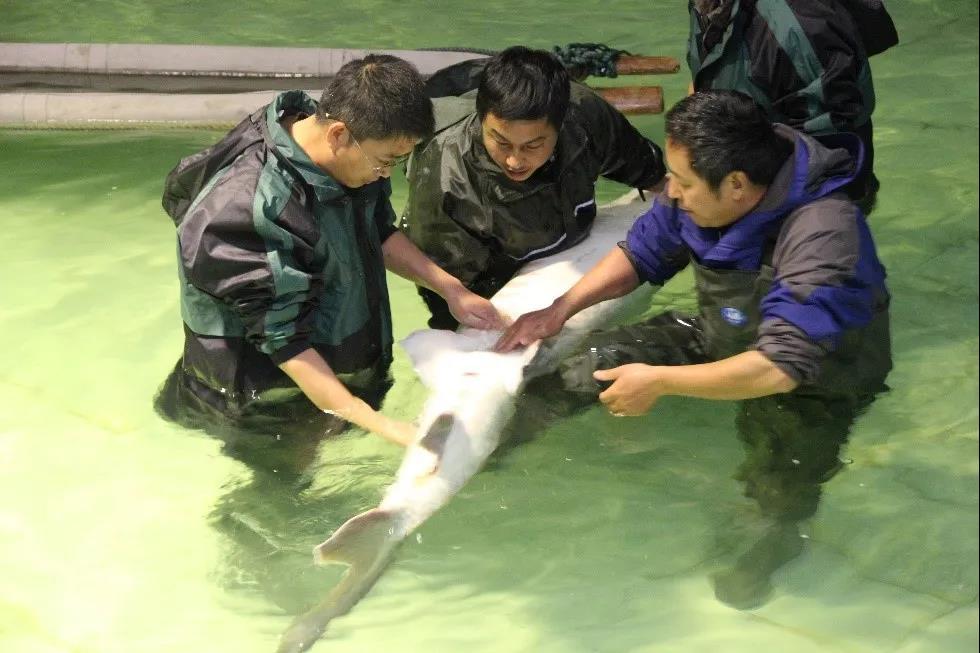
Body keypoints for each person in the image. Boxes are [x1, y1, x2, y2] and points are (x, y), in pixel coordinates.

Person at [496, 90, 892, 608]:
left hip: (814, 380)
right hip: (718, 334)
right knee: (580, 370)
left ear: (737, 186)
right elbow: (644, 250)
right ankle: (490, 454)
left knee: (772, 499)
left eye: (682, 183)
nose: (672, 192)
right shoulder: (704, 182)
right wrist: (560, 309)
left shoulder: (823, 232)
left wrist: (658, 382)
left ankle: (770, 549)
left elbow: (781, 367)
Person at [155, 55, 504, 455]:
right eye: (386, 160)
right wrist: (382, 425)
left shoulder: (343, 153)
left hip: (327, 379)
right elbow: (284, 342)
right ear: (338, 134)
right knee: (276, 504)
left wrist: (450, 289)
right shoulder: (247, 209)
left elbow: (377, 229)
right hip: (265, 398)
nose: (387, 174)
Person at [402, 46, 667, 329]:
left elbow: (645, 169)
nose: (515, 160)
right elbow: (444, 285)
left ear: (561, 124)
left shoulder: (584, 112)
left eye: (533, 145)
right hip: (484, 257)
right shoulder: (445, 176)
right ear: (481, 121)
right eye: (501, 142)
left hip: (566, 233)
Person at [686, 0, 899, 214]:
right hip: (745, 180)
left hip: (809, 206)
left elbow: (829, 159)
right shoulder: (710, 6)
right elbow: (706, 74)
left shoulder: (795, 27)